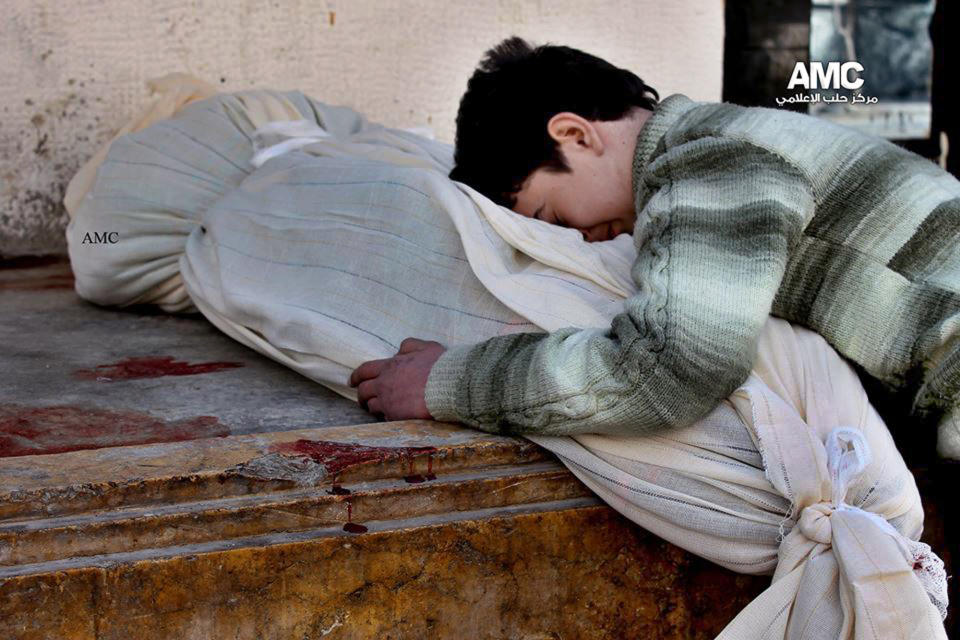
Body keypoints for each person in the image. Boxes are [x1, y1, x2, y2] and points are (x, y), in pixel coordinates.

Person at [348, 36, 960, 461]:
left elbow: (669, 369)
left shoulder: (708, 161)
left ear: (573, 134)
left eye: (550, 213)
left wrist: (447, 381)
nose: (574, 238)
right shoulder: (731, 136)